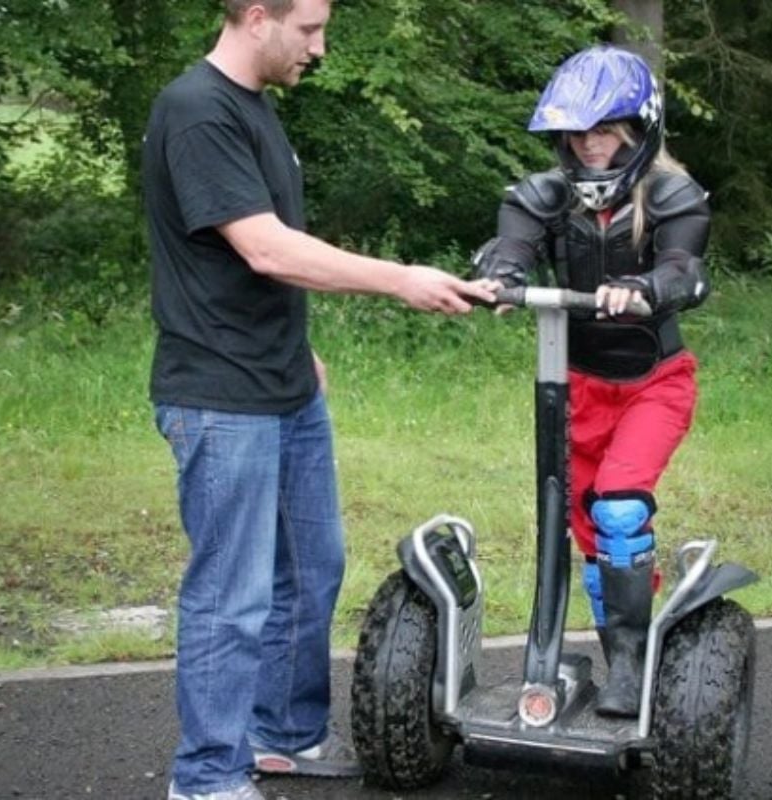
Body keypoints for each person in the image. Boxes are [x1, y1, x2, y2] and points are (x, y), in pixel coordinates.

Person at [141, 1, 494, 798]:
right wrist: (400, 279)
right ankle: (205, 779)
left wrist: (296, 348)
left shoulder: (253, 110)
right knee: (231, 597)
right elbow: (265, 249)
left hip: (283, 384)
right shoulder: (196, 111)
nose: (321, 47)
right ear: (258, 15)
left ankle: (284, 734)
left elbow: (230, 260)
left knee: (311, 567)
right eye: (309, 29)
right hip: (220, 396)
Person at [473, 45, 711, 718]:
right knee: (584, 528)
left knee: (620, 510)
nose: (590, 145)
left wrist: (642, 287)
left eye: (604, 129)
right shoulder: (544, 195)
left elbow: (684, 271)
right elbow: (511, 246)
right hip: (576, 386)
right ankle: (614, 651)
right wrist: (503, 275)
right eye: (578, 132)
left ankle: (632, 665)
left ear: (637, 131)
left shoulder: (673, 196)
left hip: (653, 383)